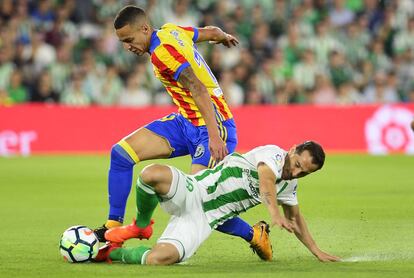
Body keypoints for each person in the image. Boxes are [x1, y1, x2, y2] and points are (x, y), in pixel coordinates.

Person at [94, 5, 272, 260]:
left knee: (197, 202)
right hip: (185, 121)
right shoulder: (171, 31)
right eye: (122, 42)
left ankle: (255, 234)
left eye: (130, 40)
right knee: (121, 154)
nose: (127, 47)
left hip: (212, 124)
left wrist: (213, 135)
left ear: (145, 29)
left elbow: (199, 89)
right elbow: (207, 32)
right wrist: (222, 35)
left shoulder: (162, 52)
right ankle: (113, 229)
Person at [96, 141, 340, 264]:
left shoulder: (289, 186)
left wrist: (316, 251)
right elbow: (266, 178)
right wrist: (274, 213)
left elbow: (297, 218)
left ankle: (113, 254)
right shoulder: (274, 154)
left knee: (158, 260)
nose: (296, 173)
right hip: (196, 190)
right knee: (151, 174)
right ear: (292, 150)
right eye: (298, 165)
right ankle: (140, 225)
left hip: (204, 219)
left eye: (304, 173)